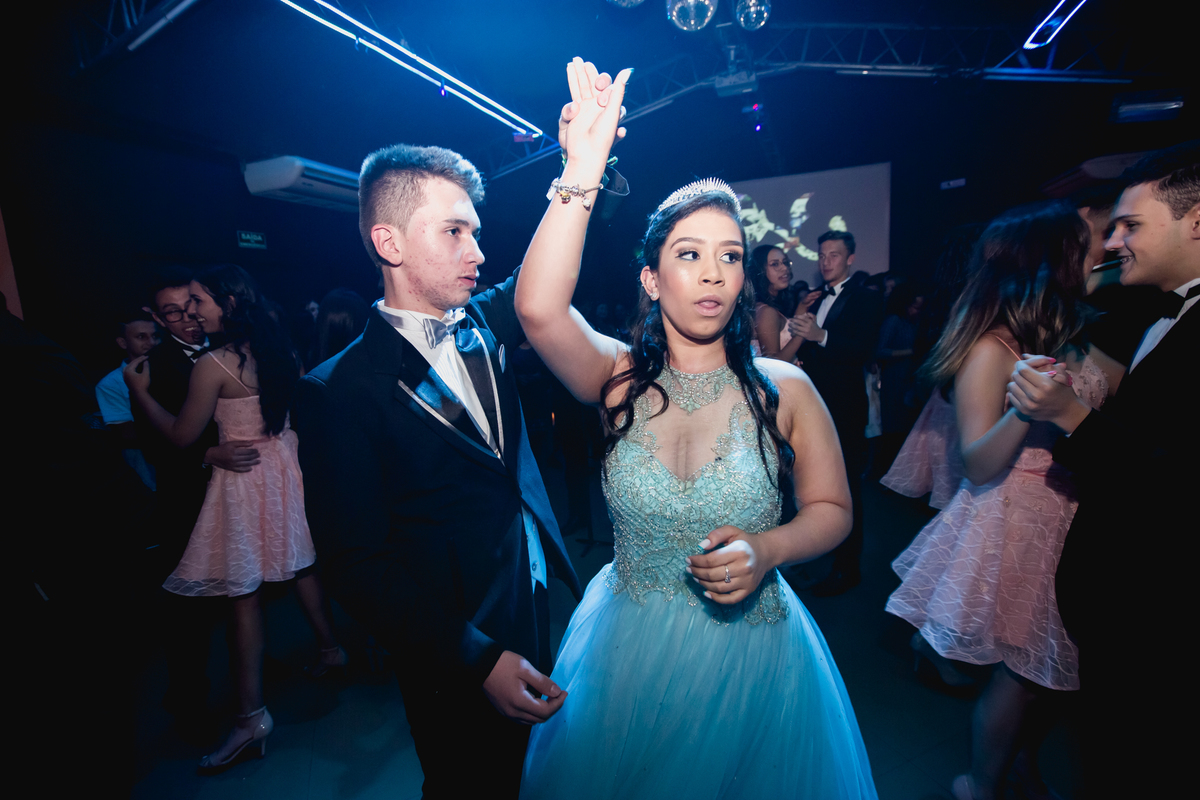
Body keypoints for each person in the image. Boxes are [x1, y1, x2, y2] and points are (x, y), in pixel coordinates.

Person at [514, 58, 876, 800]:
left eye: (729, 257)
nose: (713, 273)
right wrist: (583, 169)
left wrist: (770, 548)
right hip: (626, 649)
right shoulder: (617, 378)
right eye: (689, 255)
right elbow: (538, 309)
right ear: (652, 278)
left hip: (755, 654)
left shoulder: (785, 388)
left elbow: (833, 510)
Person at [291, 142, 582, 800]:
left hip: (531, 595)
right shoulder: (338, 390)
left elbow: (553, 263)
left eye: (475, 232)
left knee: (541, 774)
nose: (476, 251)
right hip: (449, 636)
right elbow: (356, 564)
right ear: (389, 243)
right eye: (453, 232)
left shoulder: (484, 322)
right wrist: (476, 658)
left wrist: (584, 169)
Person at [884, 200, 1124, 800]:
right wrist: (1027, 410)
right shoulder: (993, 348)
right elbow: (978, 463)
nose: (1107, 246)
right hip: (1019, 518)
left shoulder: (1079, 336)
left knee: (1054, 675)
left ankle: (1021, 768)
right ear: (1052, 260)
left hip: (1075, 513)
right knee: (1025, 673)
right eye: (1092, 241)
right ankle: (981, 784)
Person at [1006, 142, 1198, 798]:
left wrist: (1069, 416)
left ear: (1197, 222)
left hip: (1159, 613)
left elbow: (1174, 484)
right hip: (1124, 607)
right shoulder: (1157, 312)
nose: (1113, 242)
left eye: (1130, 225)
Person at [126, 265, 345, 771]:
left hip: (246, 480)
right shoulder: (282, 348)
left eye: (198, 301)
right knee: (301, 562)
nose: (193, 311)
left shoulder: (214, 365)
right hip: (285, 467)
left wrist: (139, 393)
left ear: (227, 304)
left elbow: (181, 436)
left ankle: (250, 717)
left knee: (243, 595)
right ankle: (331, 649)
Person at [789, 230, 885, 594]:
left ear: (850, 259)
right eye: (822, 255)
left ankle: (847, 568)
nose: (826, 261)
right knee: (810, 483)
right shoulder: (813, 298)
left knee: (844, 488)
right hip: (809, 405)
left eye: (834, 255)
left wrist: (821, 336)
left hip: (843, 408)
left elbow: (863, 349)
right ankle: (816, 548)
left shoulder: (867, 298)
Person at [96, 309, 160, 489]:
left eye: (155, 336)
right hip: (144, 462)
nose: (151, 343)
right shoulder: (111, 383)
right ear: (123, 342)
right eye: (141, 337)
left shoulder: (171, 371)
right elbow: (126, 433)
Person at [747, 243, 814, 362]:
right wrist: (801, 334)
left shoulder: (764, 306)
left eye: (785, 262)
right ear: (760, 271)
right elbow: (773, 363)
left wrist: (802, 305)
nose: (785, 268)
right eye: (775, 264)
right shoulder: (767, 312)